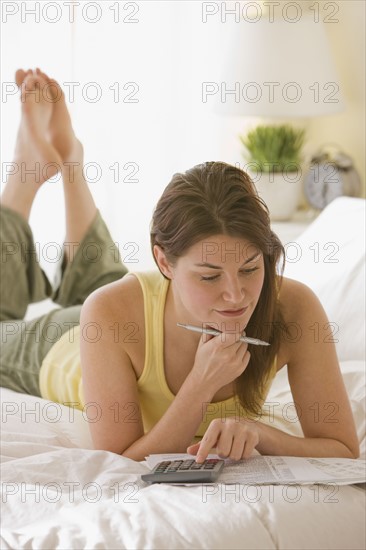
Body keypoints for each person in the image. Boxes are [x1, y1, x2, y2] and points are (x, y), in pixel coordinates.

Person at [0, 69, 359, 464]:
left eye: (250, 268)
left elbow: (342, 450)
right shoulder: (107, 311)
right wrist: (199, 385)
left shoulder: (295, 308)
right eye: (209, 276)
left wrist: (260, 433)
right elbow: (119, 460)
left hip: (130, 308)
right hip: (66, 343)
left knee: (103, 277)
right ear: (163, 262)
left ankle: (71, 164)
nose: (236, 295)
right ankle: (23, 175)